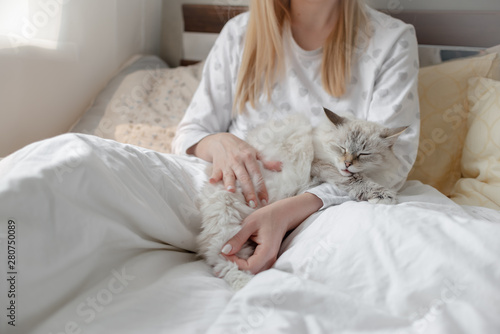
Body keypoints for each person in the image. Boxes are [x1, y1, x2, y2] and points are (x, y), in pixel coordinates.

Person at [172, 0, 420, 275]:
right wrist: (218, 142)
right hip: (229, 191)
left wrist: (285, 213)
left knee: (388, 244)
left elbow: (395, 162)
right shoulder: (239, 33)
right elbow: (189, 134)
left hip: (325, 209)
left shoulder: (391, 39)